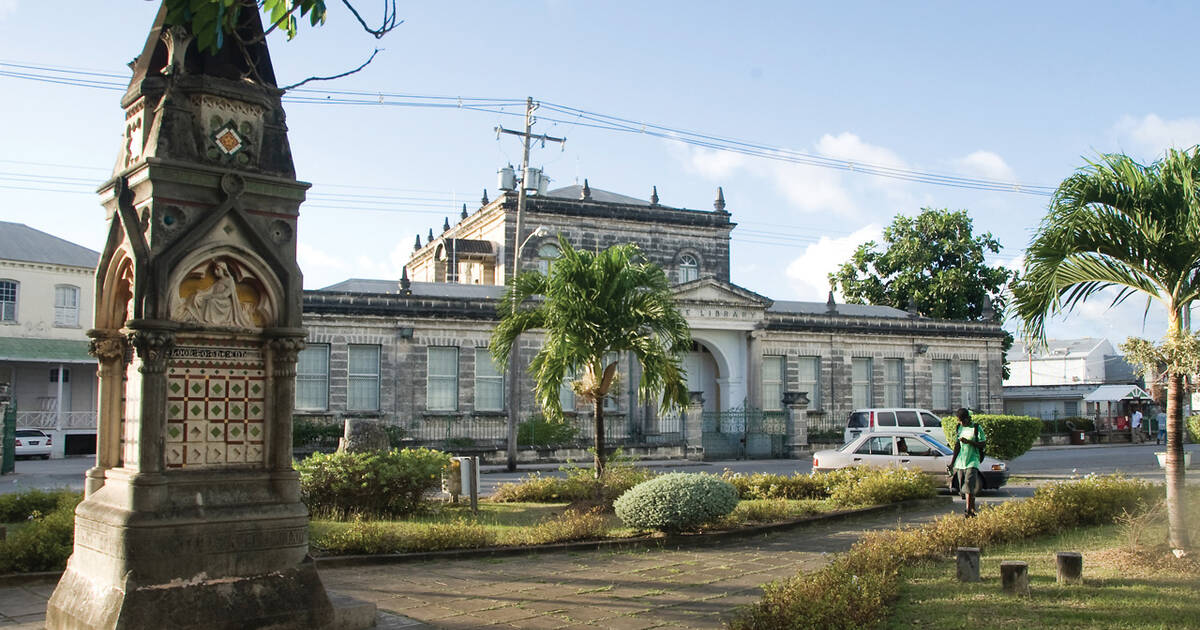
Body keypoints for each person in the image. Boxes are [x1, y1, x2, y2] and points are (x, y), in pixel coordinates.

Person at [948, 407, 986, 518]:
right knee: (963, 489)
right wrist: (952, 463)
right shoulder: (959, 428)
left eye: (962, 421)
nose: (961, 423)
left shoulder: (976, 428)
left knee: (969, 485)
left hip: (973, 460)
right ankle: (973, 510)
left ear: (968, 419)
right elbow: (957, 446)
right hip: (961, 462)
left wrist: (969, 442)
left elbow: (983, 444)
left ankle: (968, 511)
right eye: (959, 421)